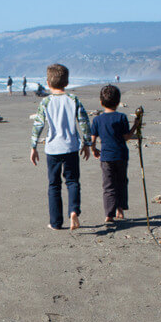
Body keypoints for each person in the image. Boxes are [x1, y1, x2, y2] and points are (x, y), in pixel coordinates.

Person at [29, 63, 91, 230]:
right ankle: (73, 211)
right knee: (72, 181)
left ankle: (56, 222)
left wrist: (33, 146)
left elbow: (38, 125)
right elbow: (84, 122)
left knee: (54, 185)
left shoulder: (46, 102)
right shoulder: (73, 100)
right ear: (67, 82)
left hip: (53, 148)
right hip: (71, 146)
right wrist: (87, 143)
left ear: (48, 83)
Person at [89, 84, 136, 223]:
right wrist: (136, 125)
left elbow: (92, 139)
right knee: (121, 182)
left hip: (106, 156)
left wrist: (93, 149)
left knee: (108, 185)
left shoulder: (97, 120)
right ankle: (120, 209)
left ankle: (109, 214)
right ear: (118, 102)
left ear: (101, 102)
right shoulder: (121, 117)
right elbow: (126, 137)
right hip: (121, 155)